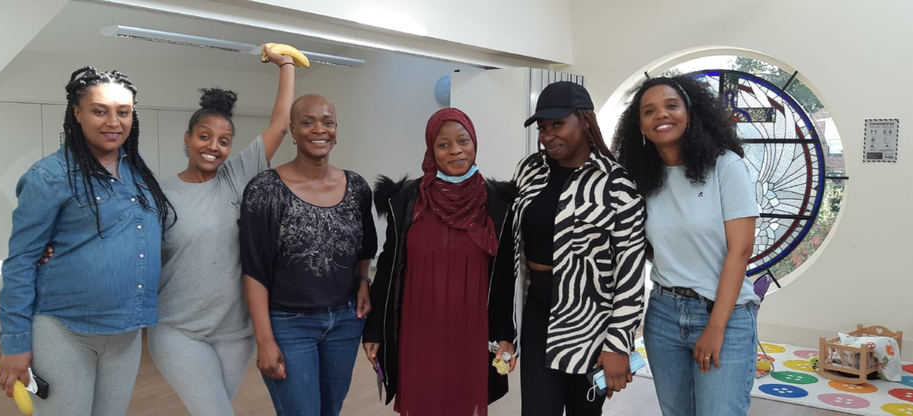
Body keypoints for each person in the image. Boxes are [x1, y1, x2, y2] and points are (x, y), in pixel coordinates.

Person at [0, 66, 174, 416]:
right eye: (99, 110)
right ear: (77, 114)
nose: (113, 121)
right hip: (64, 329)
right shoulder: (49, 177)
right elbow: (19, 262)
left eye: (123, 112)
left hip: (126, 332)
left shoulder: (138, 175)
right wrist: (14, 345)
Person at [146, 47, 295, 415]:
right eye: (204, 136)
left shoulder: (238, 177)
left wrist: (287, 64)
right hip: (178, 329)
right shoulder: (158, 194)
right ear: (187, 138)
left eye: (223, 141)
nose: (213, 146)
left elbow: (280, 124)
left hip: (235, 334)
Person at [612, 75, 760, 416]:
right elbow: (647, 245)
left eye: (671, 106)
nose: (661, 115)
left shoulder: (725, 166)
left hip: (726, 313)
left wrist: (715, 327)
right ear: (640, 126)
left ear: (690, 113)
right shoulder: (640, 177)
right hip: (663, 313)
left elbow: (740, 252)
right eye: (649, 111)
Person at [361, 108, 517, 416]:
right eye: (444, 144)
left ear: (474, 143)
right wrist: (375, 330)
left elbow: (503, 278)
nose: (456, 150)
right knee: (422, 402)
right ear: (431, 150)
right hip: (418, 327)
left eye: (463, 140)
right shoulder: (406, 199)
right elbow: (389, 267)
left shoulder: (498, 202)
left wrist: (505, 335)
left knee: (462, 402)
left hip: (472, 327)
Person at [511, 81, 646, 415]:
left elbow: (630, 275)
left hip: (591, 322)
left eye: (558, 125)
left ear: (584, 121)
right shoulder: (529, 170)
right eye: (542, 128)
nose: (547, 136)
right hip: (537, 313)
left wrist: (618, 344)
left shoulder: (618, 184)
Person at [239, 93, 377, 416]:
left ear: (336, 130)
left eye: (327, 122)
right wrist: (264, 340)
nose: (319, 129)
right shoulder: (264, 190)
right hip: (289, 324)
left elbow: (365, 248)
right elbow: (254, 269)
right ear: (293, 130)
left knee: (330, 410)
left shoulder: (357, 187)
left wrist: (363, 281)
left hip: (344, 323)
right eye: (308, 122)